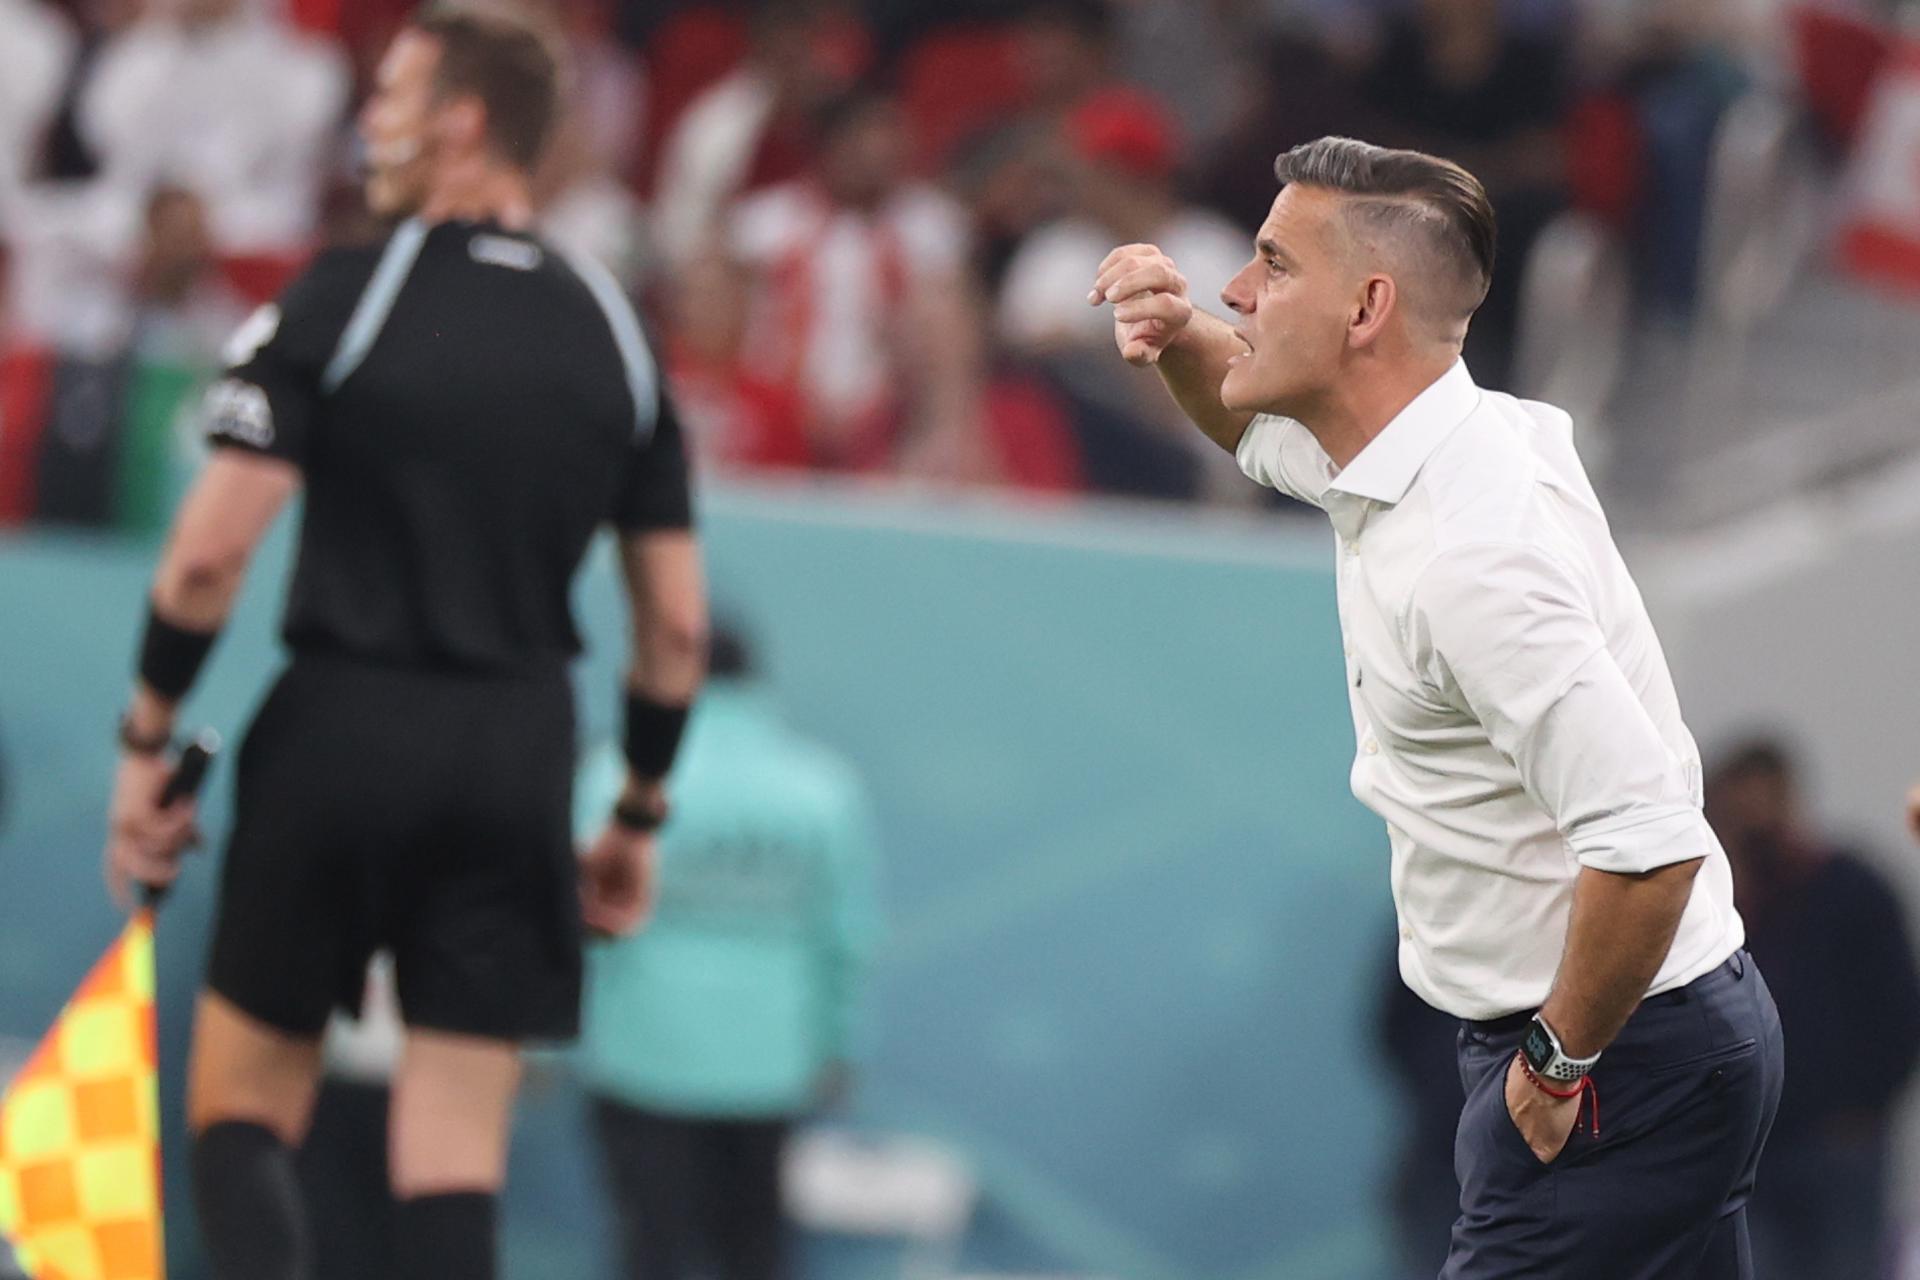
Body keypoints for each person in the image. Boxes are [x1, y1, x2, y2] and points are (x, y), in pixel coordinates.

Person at [1091, 136, 1778, 1277]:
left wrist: (1555, 1066)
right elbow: (1247, 416)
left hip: (1610, 1060)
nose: (1235, 291)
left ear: (1368, 306)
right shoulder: (1434, 440)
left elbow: (1649, 844)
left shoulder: (1473, 553)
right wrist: (1172, 341)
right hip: (1657, 1037)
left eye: (1272, 263)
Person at [99, 9, 707, 1279]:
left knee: (242, 1114)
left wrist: (147, 738)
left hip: (343, 727)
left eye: (391, 95)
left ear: (462, 120)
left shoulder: (347, 288)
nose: (368, 120)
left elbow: (209, 553)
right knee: (453, 1168)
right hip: (517, 750)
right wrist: (638, 813)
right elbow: (676, 626)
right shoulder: (618, 333)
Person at [577, 624, 882, 1280]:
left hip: (641, 1049)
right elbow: (847, 936)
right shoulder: (821, 787)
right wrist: (840, 1046)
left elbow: (580, 926)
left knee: (647, 1250)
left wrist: (548, 1043)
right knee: (755, 1250)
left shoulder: (613, 777)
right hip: (770, 1056)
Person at [1706, 740, 1920, 1280]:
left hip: (1838, 1146)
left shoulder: (1851, 890)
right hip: (1750, 1149)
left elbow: (1898, 1008)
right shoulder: (1714, 906)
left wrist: (1864, 1108)